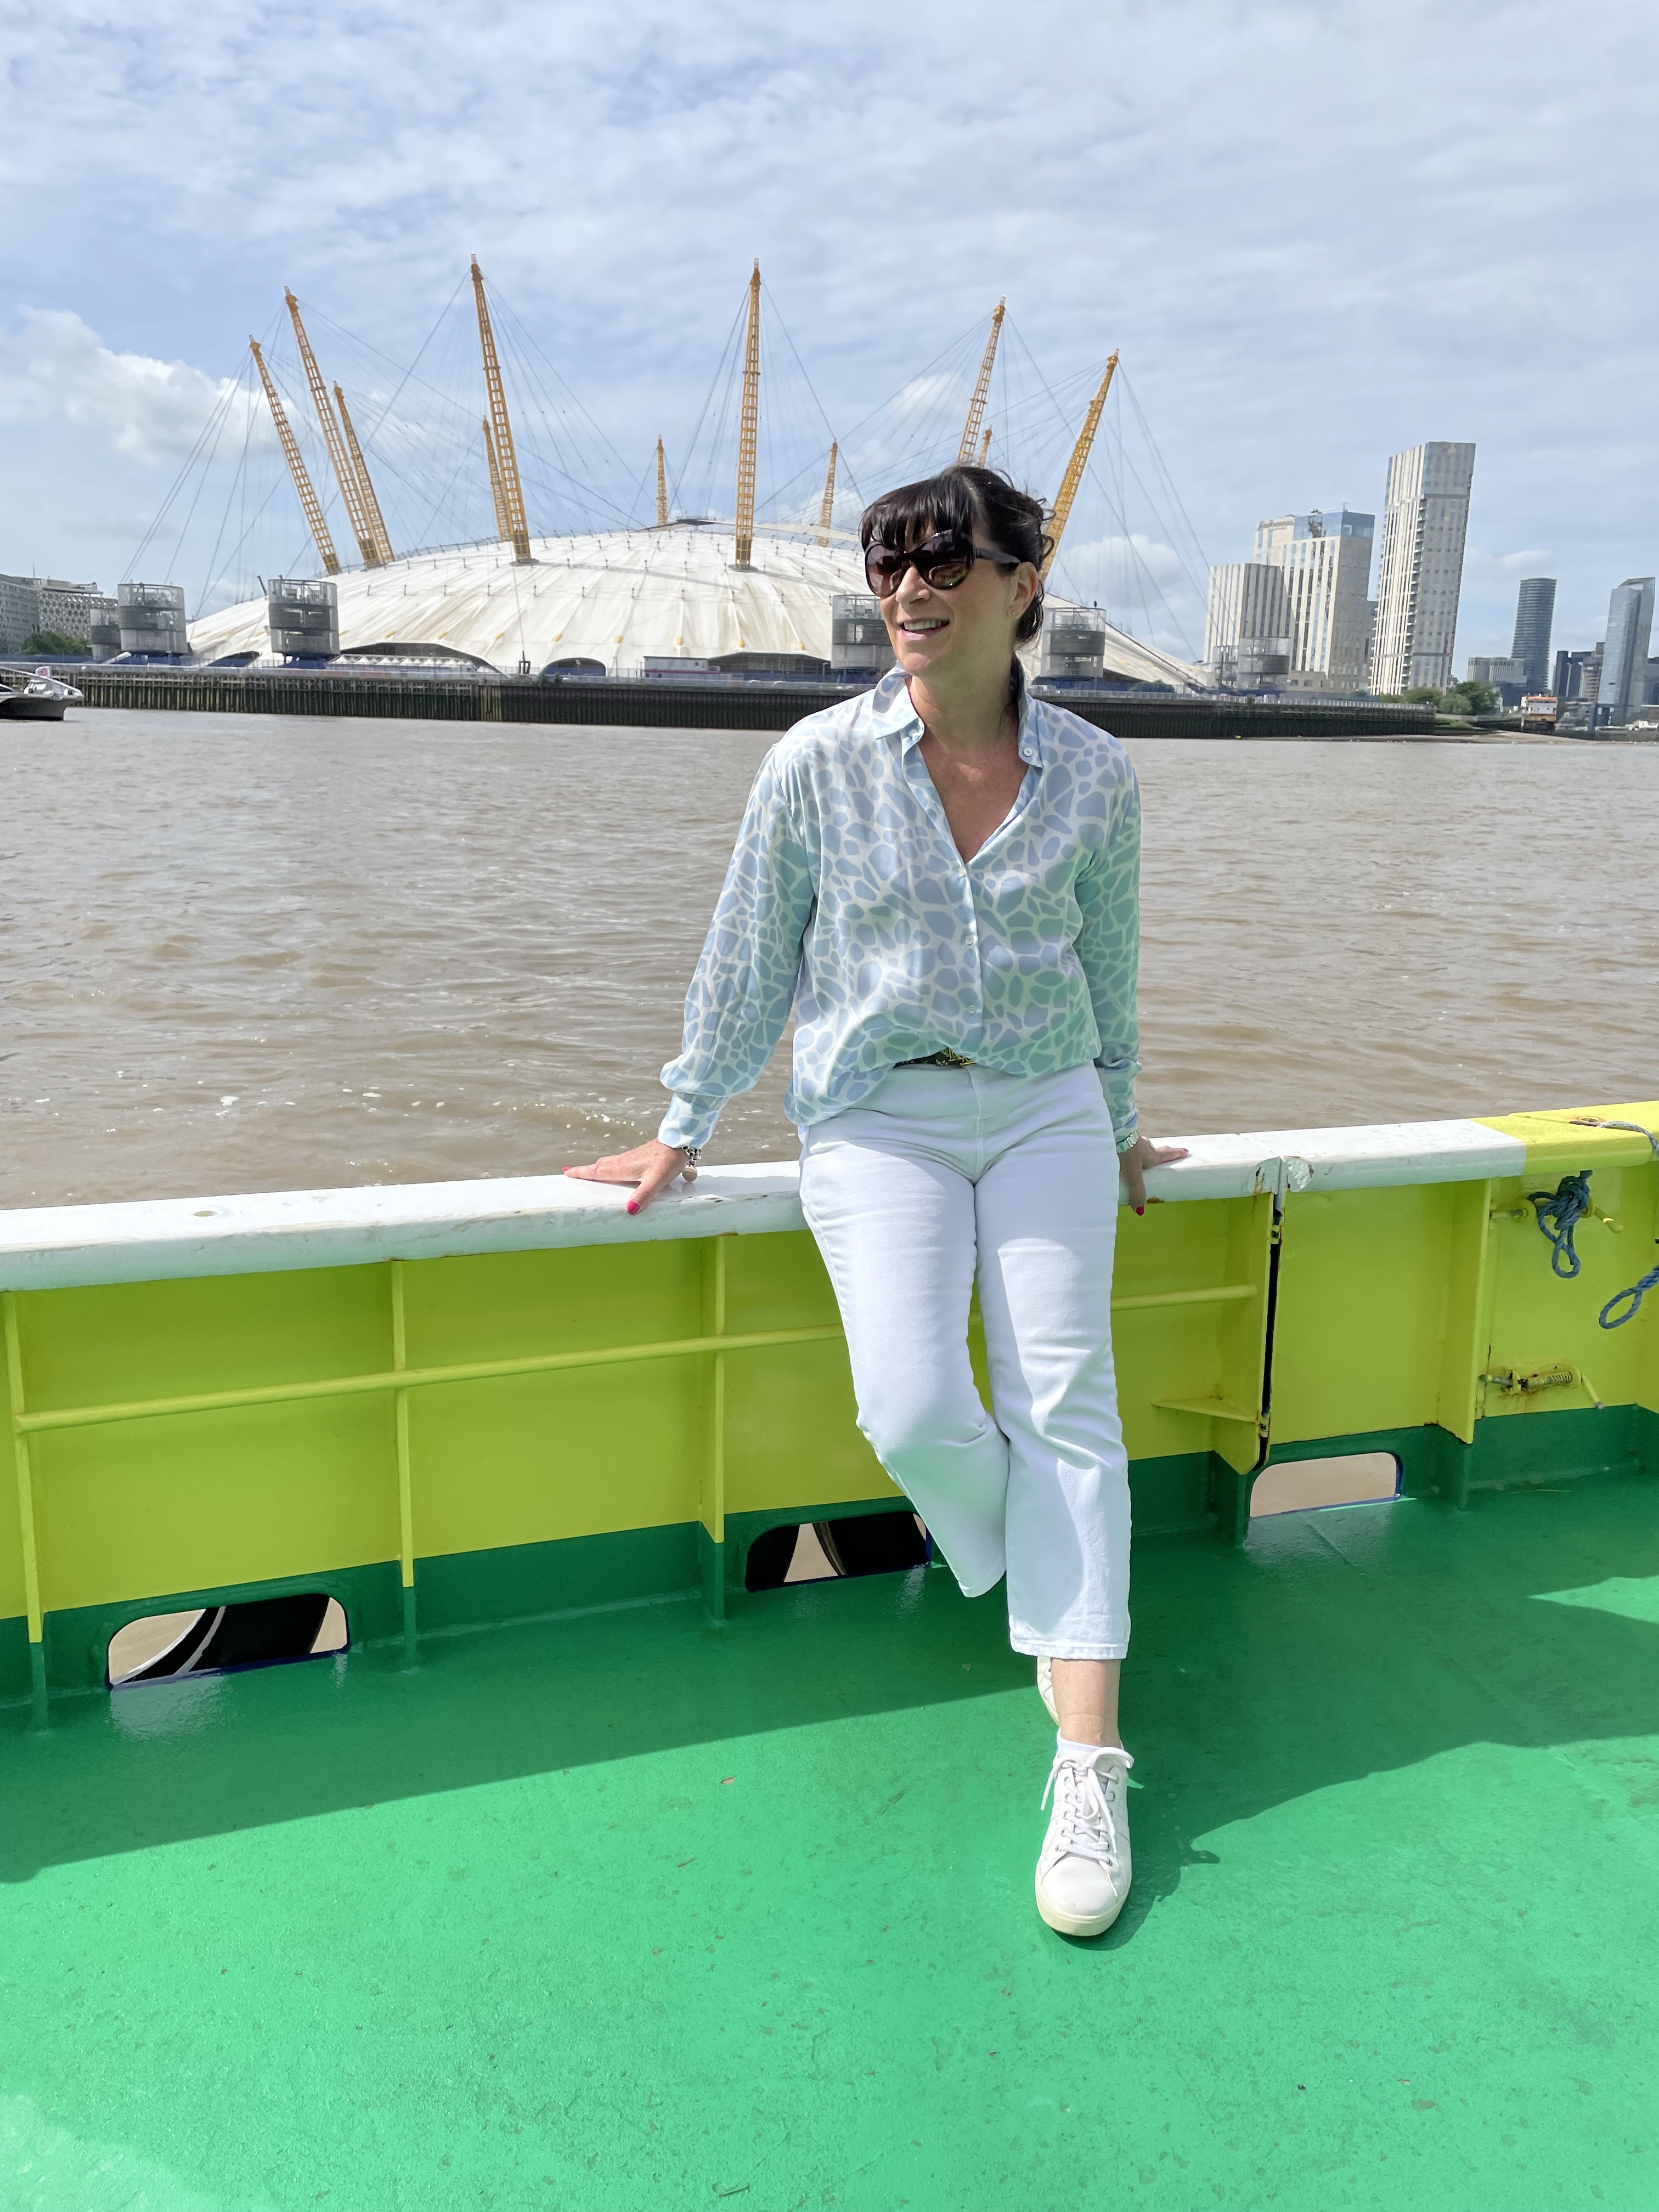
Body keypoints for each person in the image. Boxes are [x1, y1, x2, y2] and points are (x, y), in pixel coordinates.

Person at [566, 465, 1186, 1937]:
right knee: (910, 1409)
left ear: (1023, 586)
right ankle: (1038, 1564)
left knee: (1067, 1404)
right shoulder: (815, 764)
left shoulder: (1097, 775)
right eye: (888, 563)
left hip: (1044, 1101)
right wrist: (682, 1126)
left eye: (944, 562)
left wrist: (1120, 1125)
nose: (909, 589)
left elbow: (1109, 969)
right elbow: (750, 954)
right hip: (876, 1115)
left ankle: (1089, 1762)